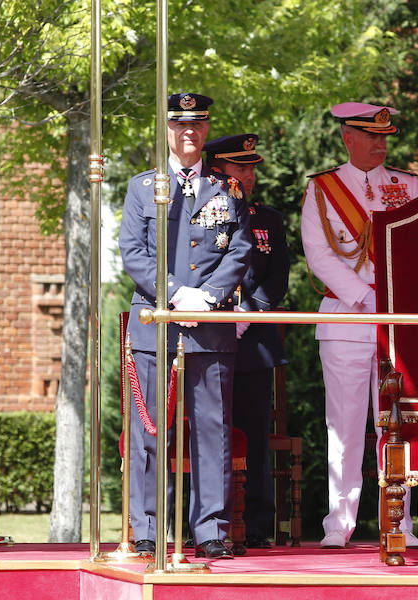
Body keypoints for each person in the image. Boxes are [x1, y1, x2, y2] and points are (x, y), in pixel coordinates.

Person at [118, 93, 253, 559]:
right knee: (152, 430)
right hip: (158, 320)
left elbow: (239, 248)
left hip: (210, 324)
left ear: (205, 127)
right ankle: (149, 527)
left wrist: (209, 296)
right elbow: (134, 253)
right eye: (180, 125)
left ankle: (211, 528)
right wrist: (176, 294)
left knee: (212, 430)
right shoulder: (143, 187)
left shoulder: (227, 187)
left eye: (197, 124)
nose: (189, 132)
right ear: (168, 130)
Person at [301, 102, 418, 549]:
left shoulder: (406, 185)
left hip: (395, 319)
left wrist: (387, 299)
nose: (380, 143)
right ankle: (340, 523)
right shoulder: (323, 188)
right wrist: (363, 295)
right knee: (345, 424)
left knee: (394, 423)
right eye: (370, 136)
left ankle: (399, 522)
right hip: (347, 316)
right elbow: (318, 253)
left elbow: (416, 248)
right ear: (346, 138)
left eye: (384, 136)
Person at [203, 133, 290, 549]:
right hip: (203, 332)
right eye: (241, 168)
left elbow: (278, 278)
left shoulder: (267, 218)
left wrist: (249, 311)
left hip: (253, 341)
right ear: (217, 169)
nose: (250, 176)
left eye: (253, 168)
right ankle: (199, 523)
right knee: (206, 431)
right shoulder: (196, 211)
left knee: (254, 434)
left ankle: (254, 524)